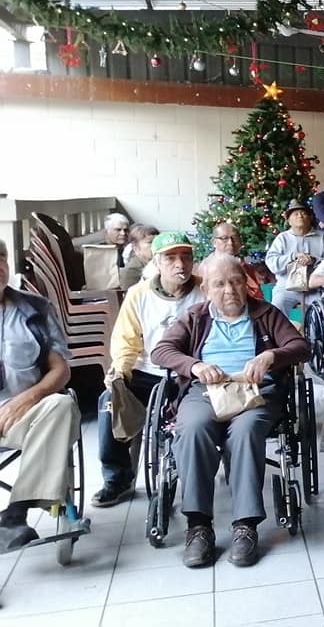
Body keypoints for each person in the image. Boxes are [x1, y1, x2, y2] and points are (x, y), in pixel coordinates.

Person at [151, 253, 309, 568]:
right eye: (220, 284)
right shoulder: (195, 317)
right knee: (193, 429)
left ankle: (245, 526)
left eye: (236, 281)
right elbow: (161, 351)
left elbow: (301, 347)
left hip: (255, 393)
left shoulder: (266, 314)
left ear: (246, 283)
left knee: (246, 431)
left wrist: (271, 357)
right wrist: (194, 365)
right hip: (205, 392)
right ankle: (198, 526)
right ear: (207, 289)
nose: (230, 290)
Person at [95, 232, 206, 508]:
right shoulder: (138, 294)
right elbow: (126, 340)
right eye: (171, 258)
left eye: (186, 257)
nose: (180, 264)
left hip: (192, 372)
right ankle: (118, 477)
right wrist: (119, 372)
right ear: (157, 262)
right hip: (148, 372)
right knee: (109, 402)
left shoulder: (204, 291)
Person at [0, 241, 84, 552]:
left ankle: (15, 515)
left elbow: (60, 370)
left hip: (26, 411)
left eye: (1, 258)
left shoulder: (34, 308)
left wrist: (29, 398)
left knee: (61, 404)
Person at [264, 200, 324, 316]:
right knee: (277, 307)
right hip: (286, 288)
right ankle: (280, 334)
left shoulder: (322, 237)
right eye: (295, 214)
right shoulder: (283, 238)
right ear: (289, 220)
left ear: (310, 218)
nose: (300, 216)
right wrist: (292, 257)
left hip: (314, 289)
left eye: (303, 213)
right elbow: (271, 262)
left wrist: (314, 260)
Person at [205, 222, 265, 300]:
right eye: (224, 238)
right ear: (214, 242)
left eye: (235, 238)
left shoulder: (240, 262)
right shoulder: (209, 267)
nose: (231, 243)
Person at [119, 224, 160, 290]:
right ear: (136, 248)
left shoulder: (162, 263)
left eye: (158, 241)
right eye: (150, 242)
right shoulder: (130, 271)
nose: (156, 245)